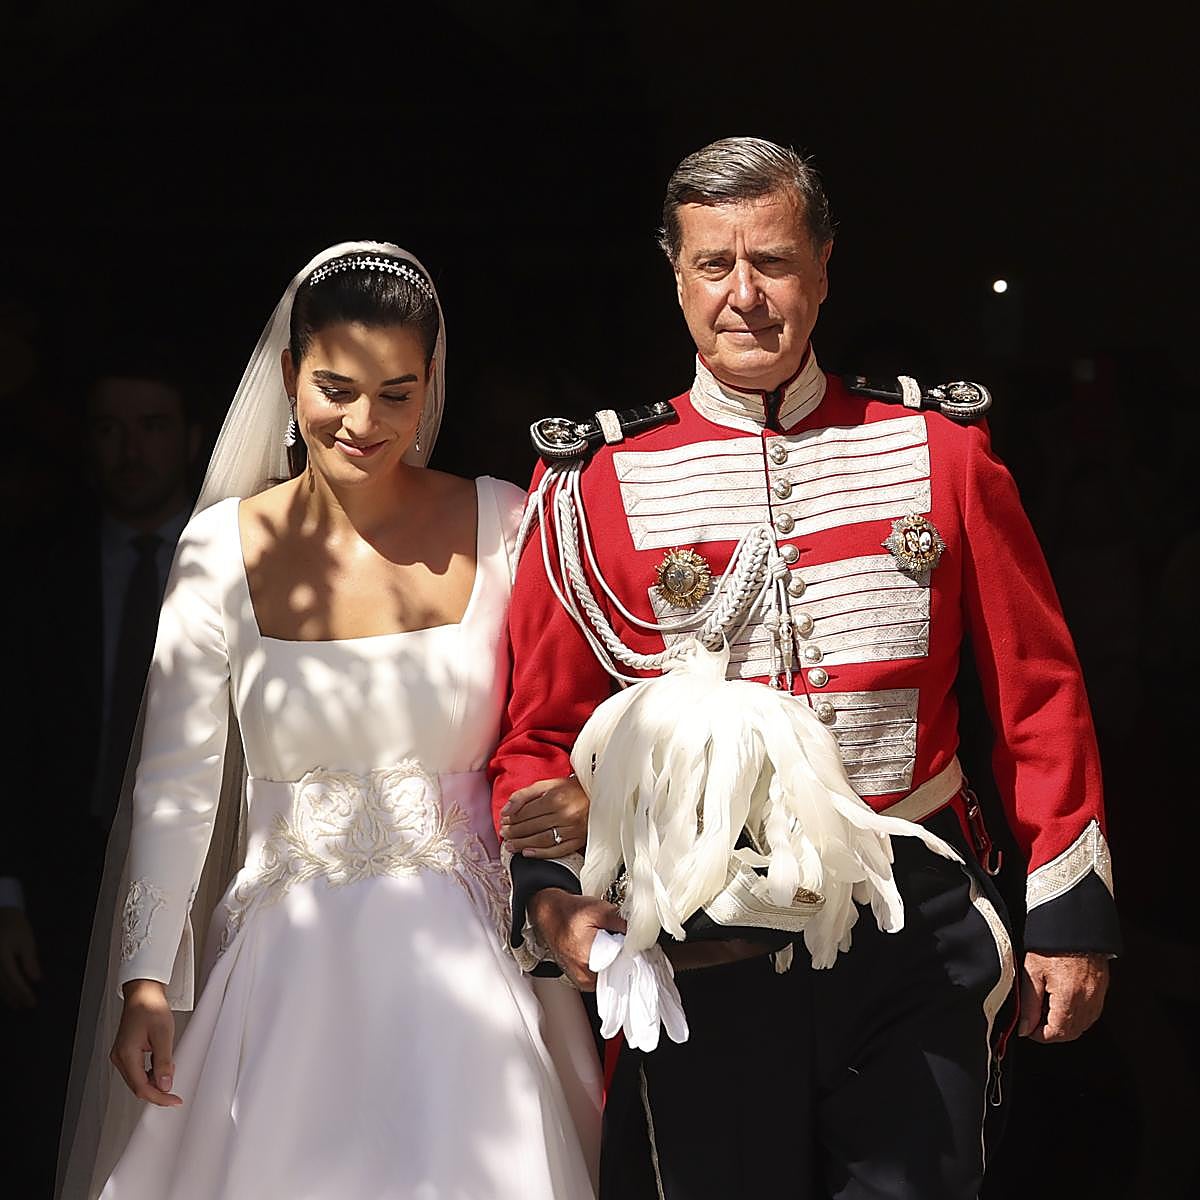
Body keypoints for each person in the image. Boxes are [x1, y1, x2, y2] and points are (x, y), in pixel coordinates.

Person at [490, 139, 1118, 1198]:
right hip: (699, 938)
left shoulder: (944, 451)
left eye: (773, 262)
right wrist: (555, 900)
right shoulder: (591, 482)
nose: (744, 295)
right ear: (676, 276)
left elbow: (1038, 691)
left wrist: (1068, 909)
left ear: (824, 268)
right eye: (713, 264)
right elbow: (541, 731)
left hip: (915, 919)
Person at [59, 242, 600, 1199]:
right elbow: (177, 784)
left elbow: (557, 724)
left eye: (396, 394)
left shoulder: (506, 520)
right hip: (286, 972)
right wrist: (147, 977)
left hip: (475, 971)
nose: (364, 423)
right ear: (288, 376)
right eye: (337, 390)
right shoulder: (219, 549)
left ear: (431, 385)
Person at [0, 361, 201, 1196]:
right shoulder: (35, 570)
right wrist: (6, 891)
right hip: (60, 882)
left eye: (152, 425)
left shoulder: (235, 563)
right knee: (43, 1099)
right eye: (111, 428)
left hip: (198, 874)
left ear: (190, 437)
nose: (131, 450)